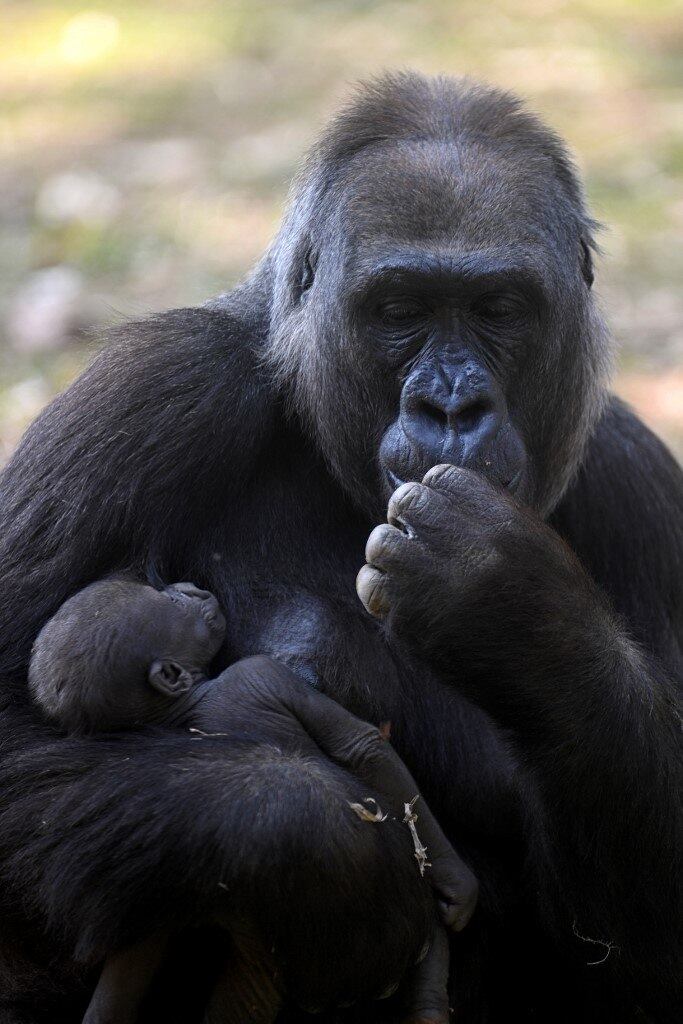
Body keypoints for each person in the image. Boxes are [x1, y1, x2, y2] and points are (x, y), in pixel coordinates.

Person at [29, 577, 479, 1024]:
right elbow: (365, 748)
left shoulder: (149, 780)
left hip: (267, 938)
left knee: (155, 918)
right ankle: (428, 1002)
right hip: (367, 893)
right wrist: (445, 861)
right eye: (168, 600)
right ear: (170, 677)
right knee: (414, 878)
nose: (187, 589)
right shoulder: (255, 680)